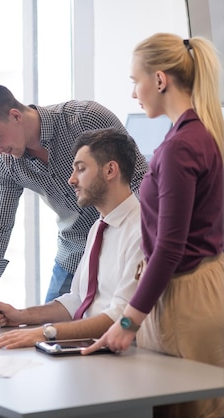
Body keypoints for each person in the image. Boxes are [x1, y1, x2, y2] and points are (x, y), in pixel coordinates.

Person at [84, 33, 224, 418]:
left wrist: (128, 321)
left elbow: (169, 247)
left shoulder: (180, 147)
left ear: (160, 80)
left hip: (186, 296)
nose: (134, 94)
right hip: (202, 287)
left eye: (135, 81)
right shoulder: (202, 134)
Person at [0, 82, 149, 316]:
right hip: (74, 252)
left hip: (124, 244)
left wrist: (144, 239)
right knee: (46, 334)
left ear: (15, 116)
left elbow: (138, 178)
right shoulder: (7, 164)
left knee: (121, 324)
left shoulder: (85, 118)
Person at [0, 128, 143, 349]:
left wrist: (47, 332)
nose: (71, 180)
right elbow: (77, 300)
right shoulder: (99, 226)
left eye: (80, 169)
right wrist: (21, 316)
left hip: (120, 354)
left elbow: (121, 316)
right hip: (89, 350)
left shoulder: (141, 231)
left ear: (110, 170)